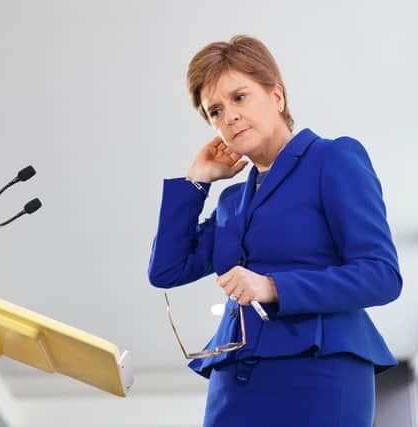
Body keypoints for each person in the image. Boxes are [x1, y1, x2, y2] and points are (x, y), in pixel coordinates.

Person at [147, 35, 402, 427]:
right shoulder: (232, 200)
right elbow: (166, 270)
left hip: (320, 371)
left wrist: (273, 287)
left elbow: (382, 276)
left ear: (277, 96)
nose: (228, 116)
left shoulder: (332, 158)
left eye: (240, 97)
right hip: (236, 380)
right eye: (214, 110)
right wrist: (197, 181)